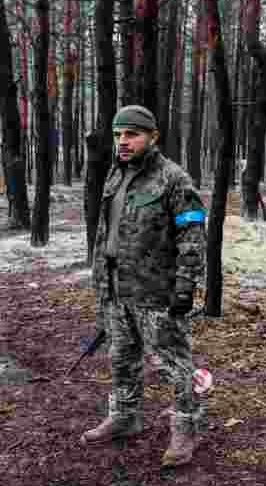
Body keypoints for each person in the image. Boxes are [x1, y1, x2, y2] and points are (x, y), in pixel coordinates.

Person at [83, 104, 207, 467]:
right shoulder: (115, 175)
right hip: (115, 289)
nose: (123, 141)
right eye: (119, 134)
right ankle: (125, 415)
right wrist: (100, 286)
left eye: (132, 134)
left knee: (174, 364)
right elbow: (107, 232)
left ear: (152, 137)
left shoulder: (174, 180)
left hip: (156, 293)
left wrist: (185, 286)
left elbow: (192, 235)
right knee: (121, 359)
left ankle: (186, 429)